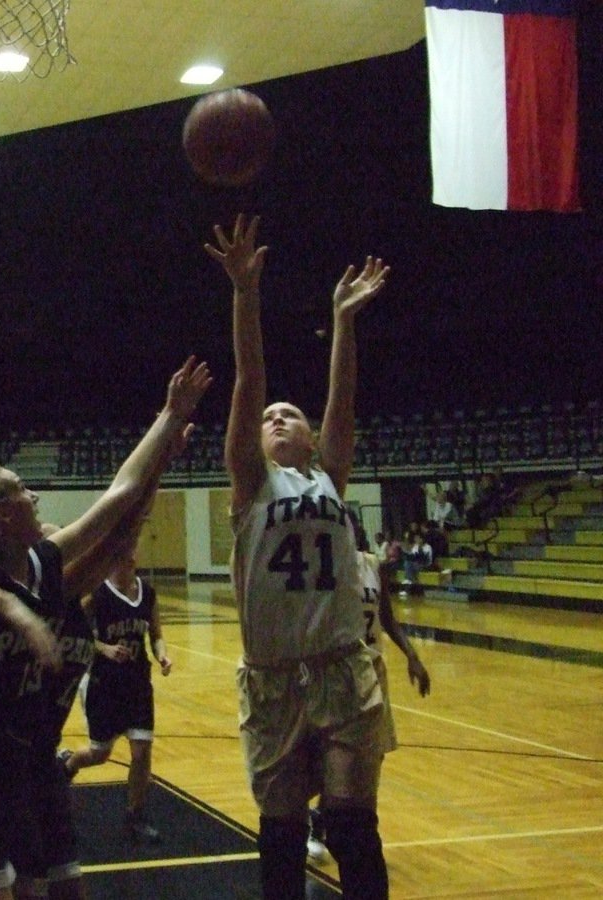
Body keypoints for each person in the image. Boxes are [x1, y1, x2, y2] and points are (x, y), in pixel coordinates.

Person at [0, 358, 211, 900]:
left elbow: (118, 500)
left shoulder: (44, 562)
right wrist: (16, 610)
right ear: (3, 514)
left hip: (21, 754)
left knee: (56, 886)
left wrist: (167, 421)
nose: (36, 498)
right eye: (24, 490)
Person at [207, 214, 390, 899]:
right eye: (268, 417)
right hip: (273, 678)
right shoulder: (251, 484)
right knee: (281, 837)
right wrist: (245, 293)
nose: (277, 417)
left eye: (291, 414)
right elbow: (249, 376)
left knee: (350, 824)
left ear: (311, 439)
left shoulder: (330, 479)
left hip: (342, 670)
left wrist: (344, 321)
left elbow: (343, 400)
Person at [308, 517, 432, 862]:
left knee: (372, 755)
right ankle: (319, 820)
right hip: (339, 669)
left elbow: (387, 618)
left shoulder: (372, 567)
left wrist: (413, 656)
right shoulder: (324, 571)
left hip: (373, 670)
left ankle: (348, 825)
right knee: (338, 756)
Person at [58, 531, 172, 844]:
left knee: (141, 750)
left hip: (137, 683)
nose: (131, 556)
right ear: (114, 559)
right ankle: (66, 765)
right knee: (99, 753)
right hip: (102, 682)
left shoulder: (147, 593)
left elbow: (156, 634)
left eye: (133, 552)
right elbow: (73, 630)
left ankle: (136, 814)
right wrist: (104, 648)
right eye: (125, 552)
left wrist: (162, 655)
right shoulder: (97, 594)